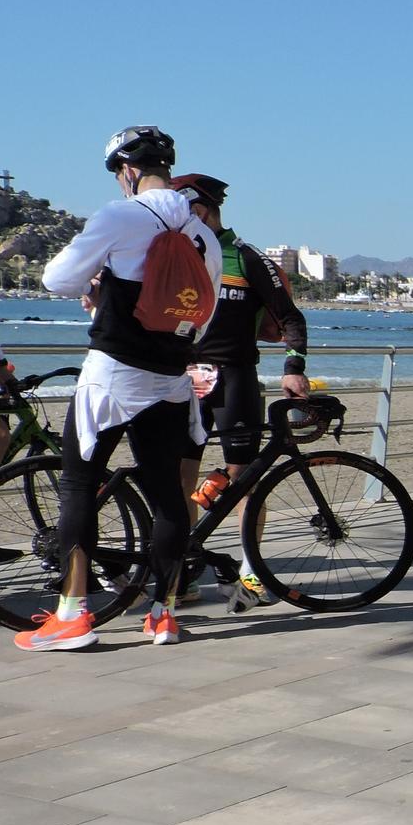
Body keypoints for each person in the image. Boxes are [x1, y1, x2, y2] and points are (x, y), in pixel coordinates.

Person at [16, 127, 221, 651]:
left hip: (112, 375)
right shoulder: (205, 236)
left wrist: (97, 286)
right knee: (168, 495)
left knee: (78, 484)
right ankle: (164, 614)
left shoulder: (120, 214)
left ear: (127, 170)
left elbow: (57, 279)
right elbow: (201, 316)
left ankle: (72, 615)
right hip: (170, 380)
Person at [169, 175, 310, 601]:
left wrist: (293, 367)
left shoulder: (245, 256)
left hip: (235, 378)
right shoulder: (173, 256)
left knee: (243, 478)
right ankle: (184, 571)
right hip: (182, 379)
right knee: (179, 478)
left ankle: (252, 574)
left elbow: (291, 318)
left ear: (201, 210)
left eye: (182, 211)